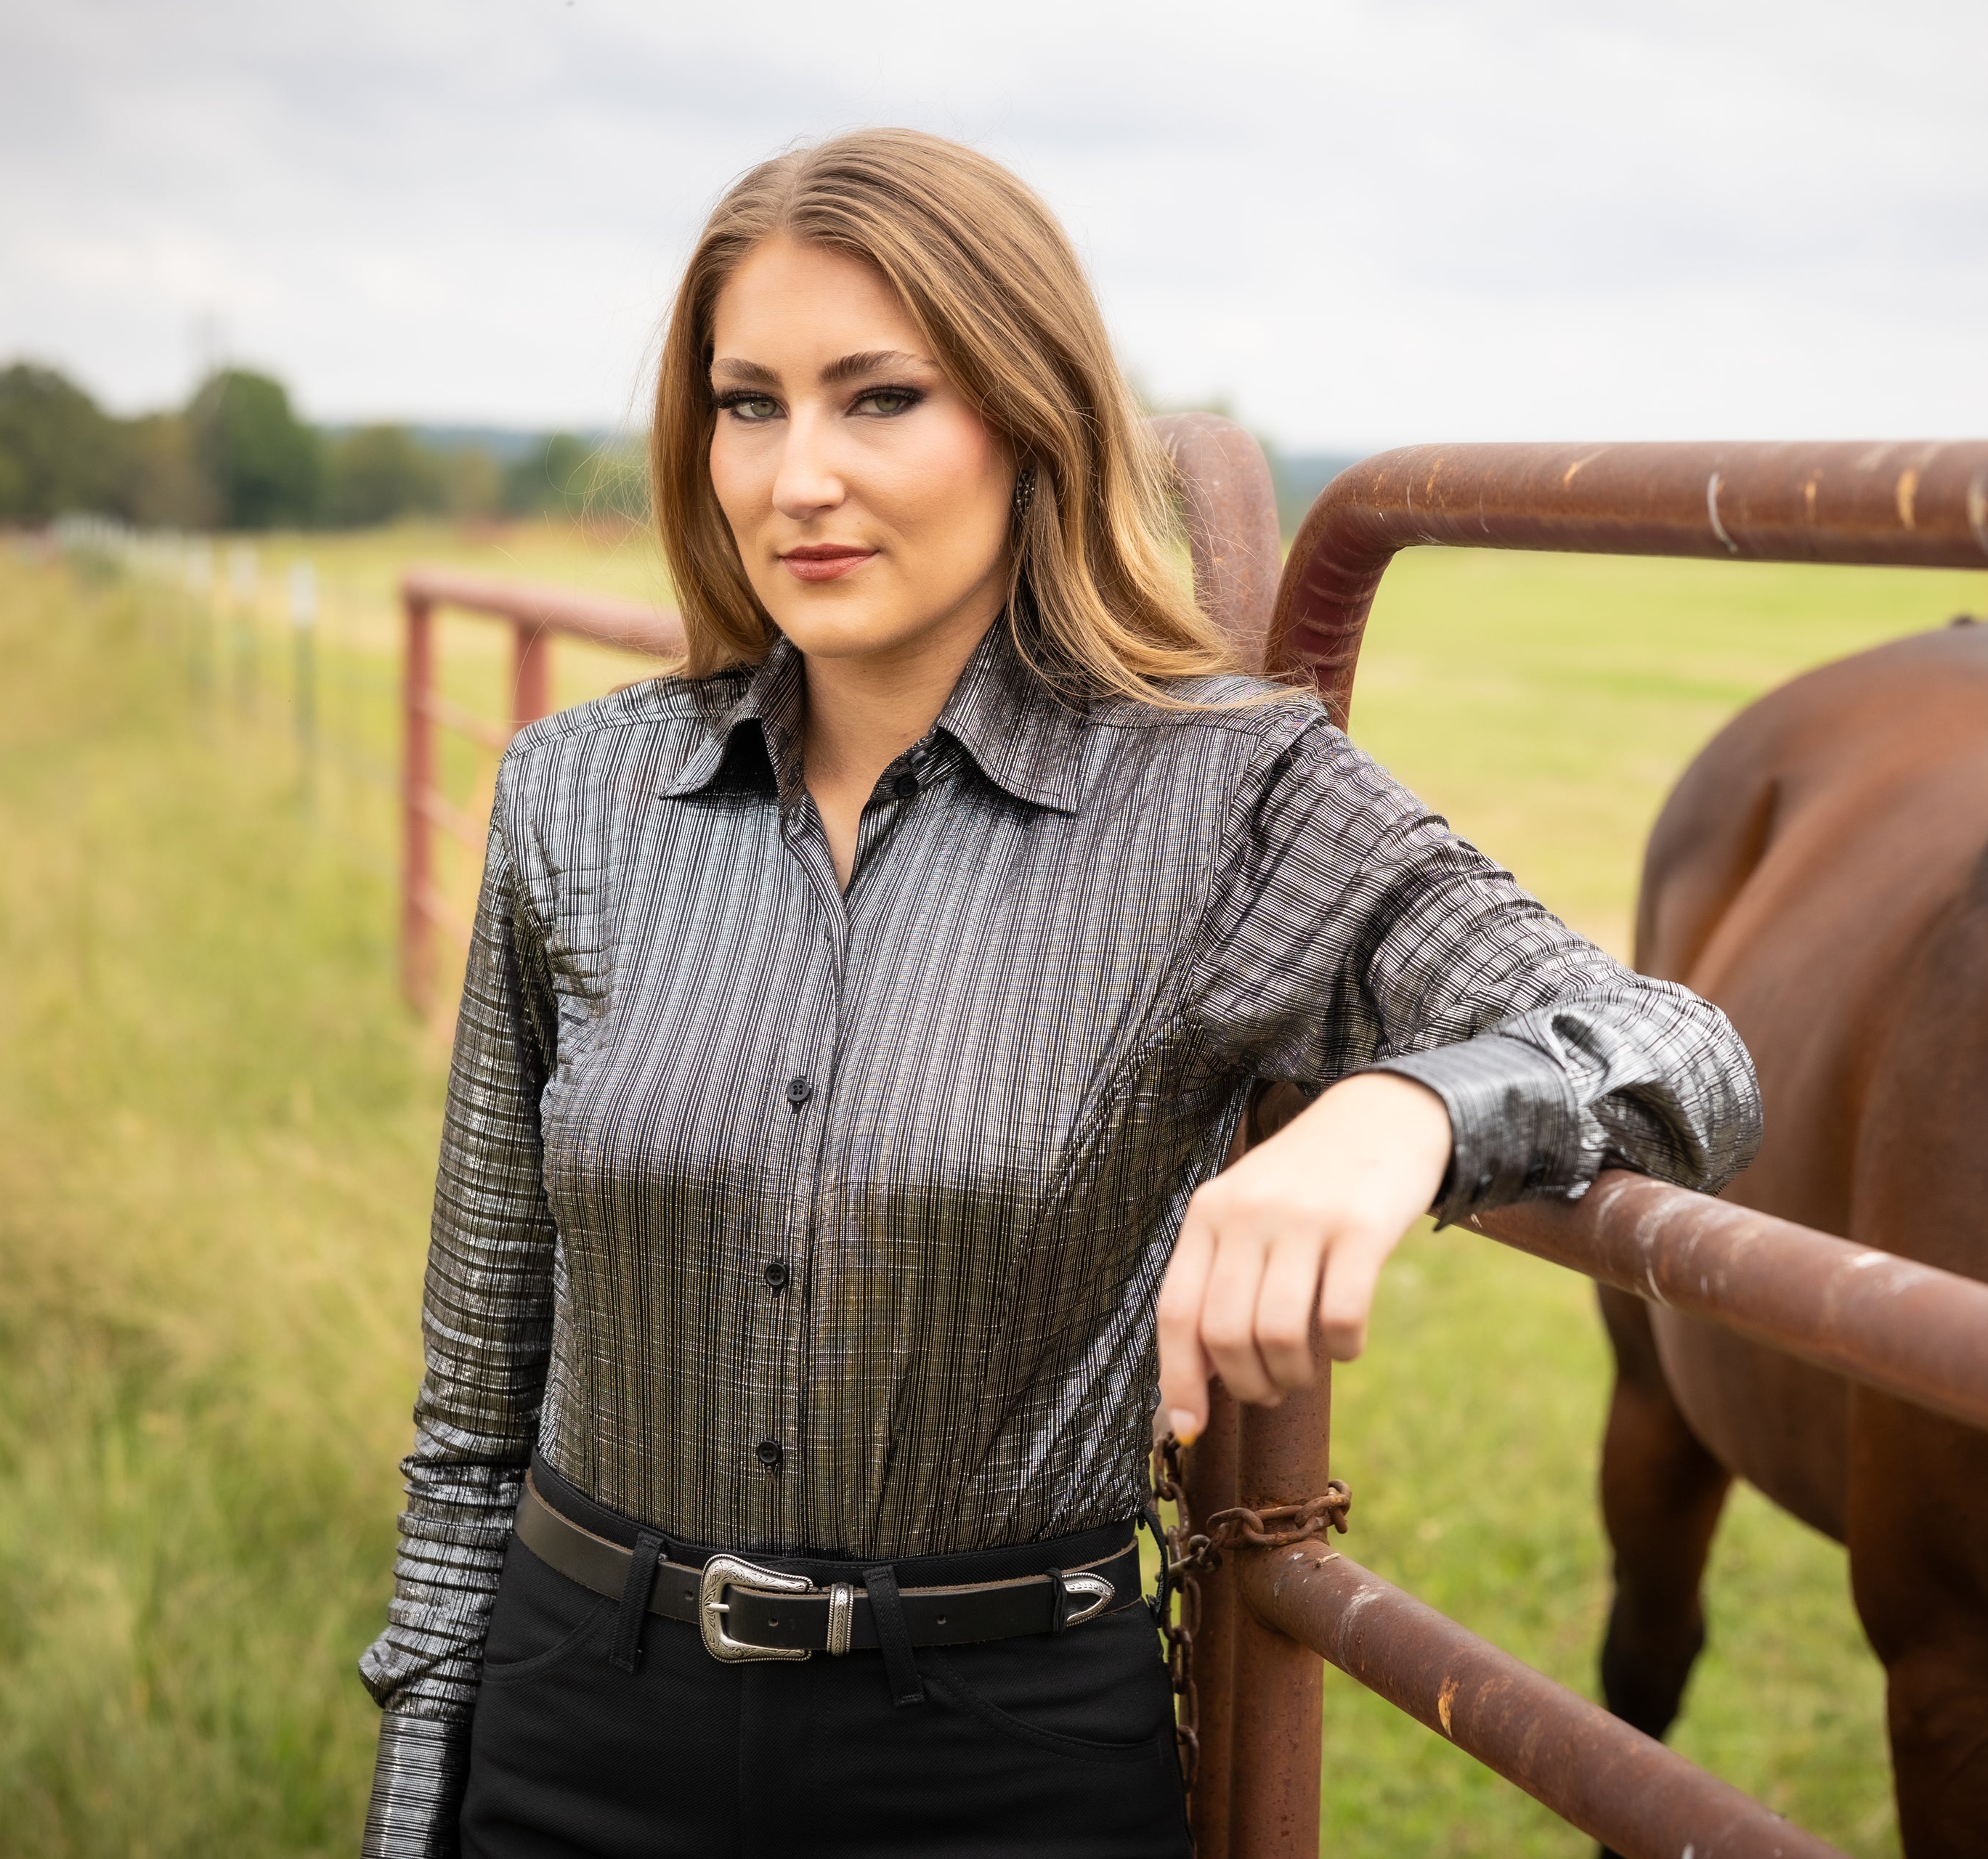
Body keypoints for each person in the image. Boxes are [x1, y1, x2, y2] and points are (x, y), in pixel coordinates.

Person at [357, 127, 1761, 1859]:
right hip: (581, 1718)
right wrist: (423, 1779)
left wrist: (1407, 1110)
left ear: (1029, 417)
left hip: (1001, 1760)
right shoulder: (575, 797)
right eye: (749, 403)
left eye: (880, 398)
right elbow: (475, 1392)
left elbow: (1684, 1051)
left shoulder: (1227, 799)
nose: (798, 476)